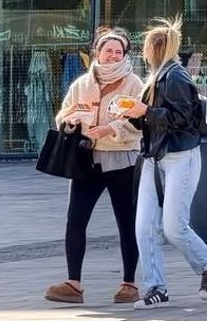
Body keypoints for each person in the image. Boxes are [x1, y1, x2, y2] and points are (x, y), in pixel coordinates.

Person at [122, 17, 207, 309]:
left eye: (151, 45)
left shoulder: (176, 77)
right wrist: (133, 113)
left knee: (174, 226)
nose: (147, 50)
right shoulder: (157, 76)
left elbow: (182, 120)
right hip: (156, 158)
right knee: (144, 227)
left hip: (181, 156)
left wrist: (146, 111)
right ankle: (155, 286)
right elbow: (154, 118)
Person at [44, 27, 143, 305]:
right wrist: (69, 122)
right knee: (75, 219)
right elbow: (63, 112)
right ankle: (73, 283)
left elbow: (139, 123)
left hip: (122, 160)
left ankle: (129, 283)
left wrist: (110, 129)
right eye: (107, 50)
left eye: (118, 51)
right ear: (96, 53)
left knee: (127, 222)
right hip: (86, 160)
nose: (112, 55)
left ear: (125, 54)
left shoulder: (134, 83)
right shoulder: (81, 84)